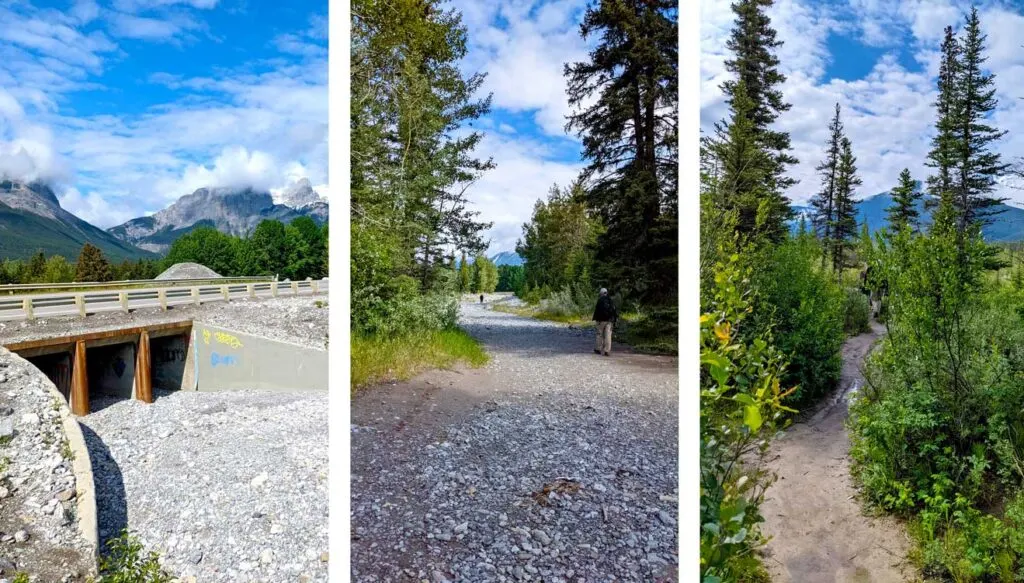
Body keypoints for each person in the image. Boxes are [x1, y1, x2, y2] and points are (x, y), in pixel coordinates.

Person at [592, 288, 617, 356]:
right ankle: (607, 351)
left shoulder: (600, 300)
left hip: (601, 320)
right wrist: (614, 321)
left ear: (601, 293)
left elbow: (597, 311)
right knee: (608, 335)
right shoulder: (610, 300)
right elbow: (614, 311)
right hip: (609, 321)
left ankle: (598, 349)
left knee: (599, 334)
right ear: (606, 293)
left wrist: (596, 319)